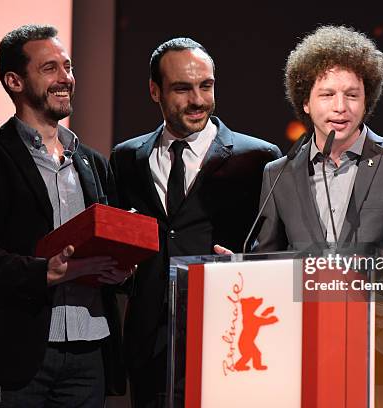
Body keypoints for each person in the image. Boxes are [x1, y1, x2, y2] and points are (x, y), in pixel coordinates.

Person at [0, 24, 130, 407]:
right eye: (50, 69)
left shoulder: (93, 162)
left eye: (68, 66)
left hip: (88, 352)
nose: (66, 79)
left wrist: (121, 268)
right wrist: (43, 271)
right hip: (10, 354)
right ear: (14, 81)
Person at [110, 37, 281, 407]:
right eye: (183, 88)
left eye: (206, 86)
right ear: (154, 90)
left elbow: (277, 253)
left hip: (227, 337)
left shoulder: (258, 159)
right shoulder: (126, 158)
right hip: (150, 344)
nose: (199, 100)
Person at [253, 26, 383, 334]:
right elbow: (268, 265)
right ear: (305, 103)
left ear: (367, 100)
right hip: (303, 344)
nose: (340, 107)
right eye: (327, 95)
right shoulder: (278, 174)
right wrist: (236, 271)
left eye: (352, 95)